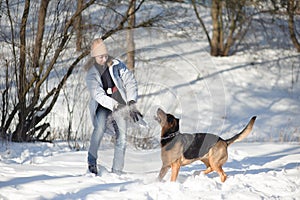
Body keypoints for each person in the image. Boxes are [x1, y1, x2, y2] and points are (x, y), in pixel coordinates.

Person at [85, 38, 142, 175]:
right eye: (100, 56)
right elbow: (98, 94)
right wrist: (113, 105)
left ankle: (116, 171)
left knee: (122, 137)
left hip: (120, 104)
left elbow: (130, 80)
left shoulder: (116, 65)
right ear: (94, 56)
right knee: (99, 129)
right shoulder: (91, 73)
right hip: (103, 105)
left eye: (105, 55)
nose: (104, 59)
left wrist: (131, 101)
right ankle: (92, 161)